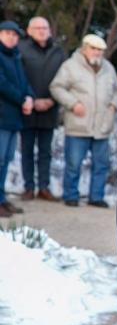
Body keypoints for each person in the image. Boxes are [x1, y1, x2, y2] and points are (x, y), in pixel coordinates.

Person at [49, 34, 117, 208]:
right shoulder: (70, 66)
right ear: (84, 47)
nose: (97, 53)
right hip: (78, 123)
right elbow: (56, 87)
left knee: (101, 165)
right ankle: (71, 195)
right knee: (74, 163)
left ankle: (96, 196)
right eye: (94, 49)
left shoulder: (108, 67)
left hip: (102, 125)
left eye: (100, 50)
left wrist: (113, 106)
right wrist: (73, 104)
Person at [18, 16, 66, 202]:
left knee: (46, 151)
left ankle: (44, 188)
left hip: (50, 107)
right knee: (27, 150)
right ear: (29, 31)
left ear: (50, 30)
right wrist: (30, 99)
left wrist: (52, 100)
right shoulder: (21, 49)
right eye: (37, 27)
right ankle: (29, 187)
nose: (41, 30)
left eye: (44, 27)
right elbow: (19, 76)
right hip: (27, 107)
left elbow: (65, 79)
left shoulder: (58, 51)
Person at [0, 20, 34, 218]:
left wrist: (29, 97)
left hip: (14, 118)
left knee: (6, 160)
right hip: (2, 117)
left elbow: (24, 82)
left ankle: (2, 199)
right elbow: (2, 84)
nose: (12, 37)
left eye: (14, 35)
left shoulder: (16, 55)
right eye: (7, 34)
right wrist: (22, 99)